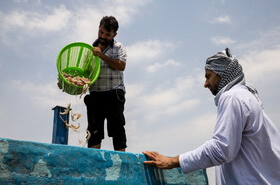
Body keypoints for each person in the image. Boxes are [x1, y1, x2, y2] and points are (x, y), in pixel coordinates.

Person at [143, 48, 280, 184]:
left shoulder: (232, 97)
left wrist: (172, 161)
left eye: (208, 76)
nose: (205, 84)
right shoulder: (245, 97)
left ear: (222, 74)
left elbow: (221, 149)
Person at [84, 16, 127, 152]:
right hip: (95, 95)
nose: (103, 36)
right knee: (93, 132)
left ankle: (122, 163)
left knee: (117, 129)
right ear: (98, 28)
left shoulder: (119, 47)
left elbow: (121, 66)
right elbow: (84, 74)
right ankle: (94, 166)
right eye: (101, 32)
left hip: (114, 94)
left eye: (107, 34)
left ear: (114, 34)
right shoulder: (89, 50)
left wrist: (101, 55)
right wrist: (67, 83)